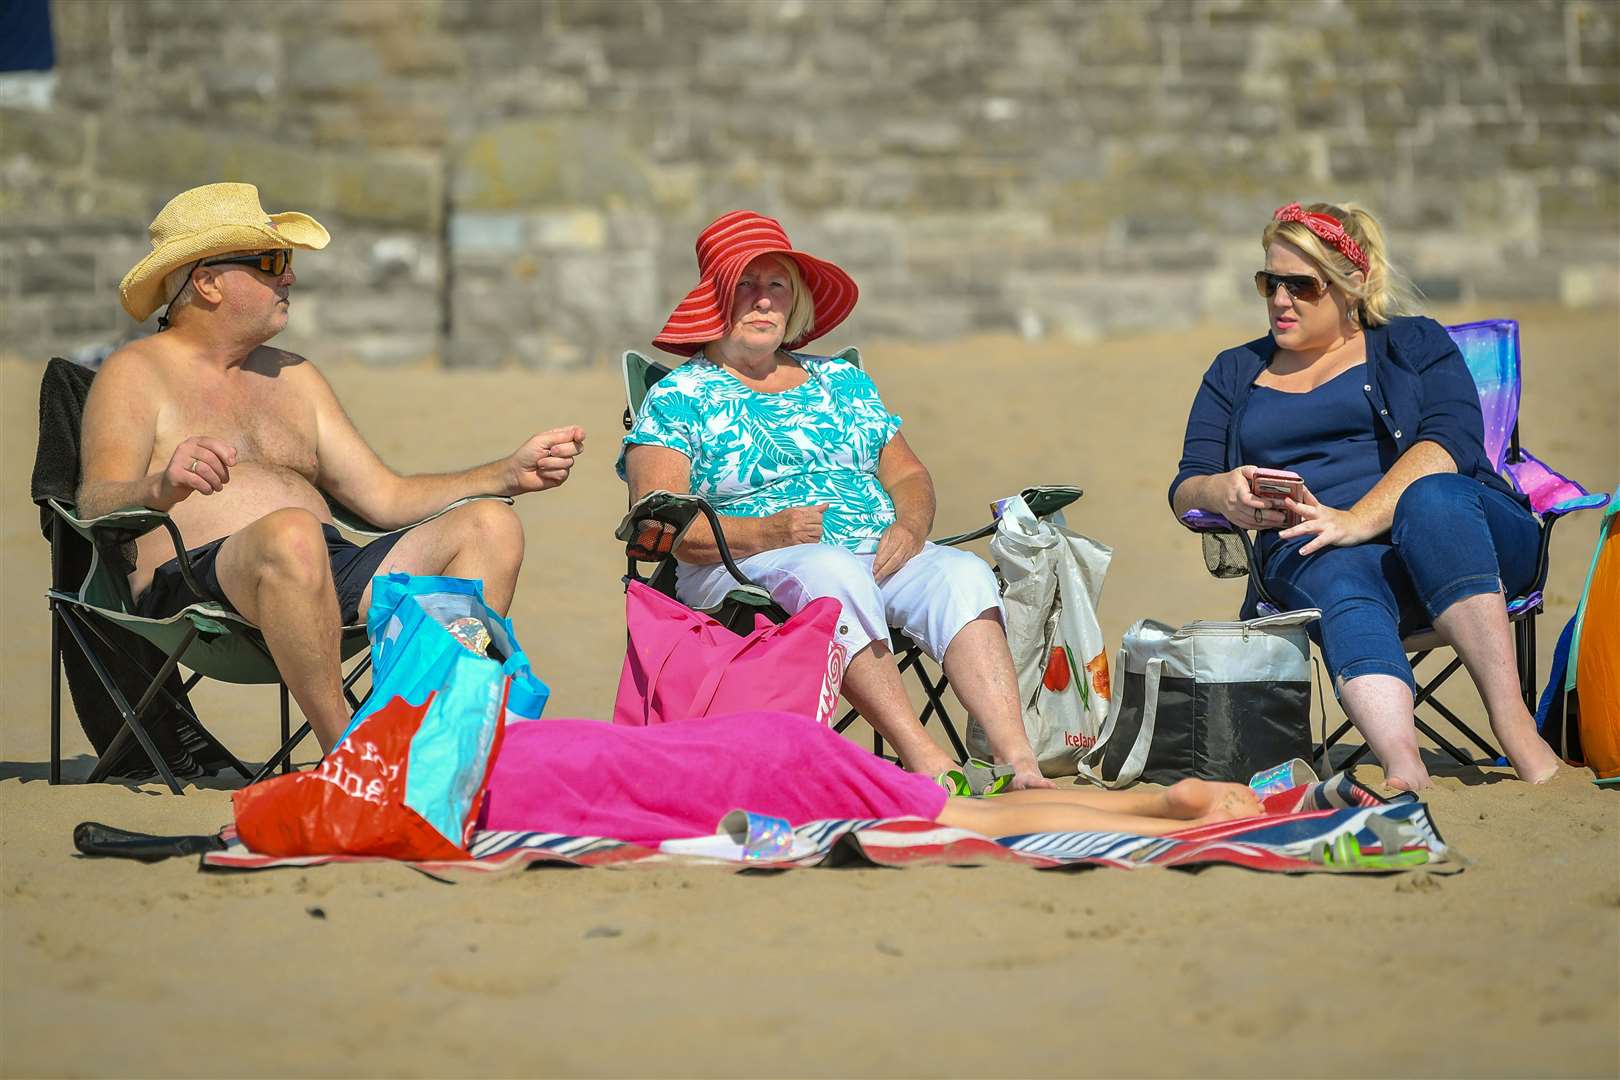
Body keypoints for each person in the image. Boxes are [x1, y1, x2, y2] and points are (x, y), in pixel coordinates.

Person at [78, 182, 586, 754]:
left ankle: (436, 736)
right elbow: (95, 502)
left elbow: (384, 499)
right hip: (192, 591)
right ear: (208, 281)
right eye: (271, 262)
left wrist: (504, 475)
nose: (289, 277)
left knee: (490, 525)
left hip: (325, 569)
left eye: (287, 262)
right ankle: (349, 751)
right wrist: (159, 484)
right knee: (292, 533)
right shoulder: (135, 372)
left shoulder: (295, 377)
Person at [619, 210, 1050, 789]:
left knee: (962, 574)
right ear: (716, 299)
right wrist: (768, 532)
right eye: (745, 285)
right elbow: (660, 525)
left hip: (875, 550)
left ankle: (1018, 761)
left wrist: (912, 527)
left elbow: (908, 476)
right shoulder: (680, 397)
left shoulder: (838, 382)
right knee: (830, 570)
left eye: (777, 286)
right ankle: (924, 756)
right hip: (740, 562)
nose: (763, 301)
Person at [1169, 200, 1560, 791]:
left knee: (1431, 499)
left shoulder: (1414, 343)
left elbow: (1450, 442)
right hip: (1318, 551)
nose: (1280, 300)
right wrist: (1221, 492)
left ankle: (1514, 727)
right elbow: (1186, 483)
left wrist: (1357, 517)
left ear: (1353, 284)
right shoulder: (1234, 371)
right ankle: (1401, 758)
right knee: (1331, 571)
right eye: (1268, 281)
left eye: (1301, 285)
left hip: (1466, 540)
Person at [482, 709, 1264, 844]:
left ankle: (1165, 819)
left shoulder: (494, 800)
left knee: (967, 823)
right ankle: (1152, 797)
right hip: (759, 743)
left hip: (757, 781)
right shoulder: (497, 736)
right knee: (938, 801)